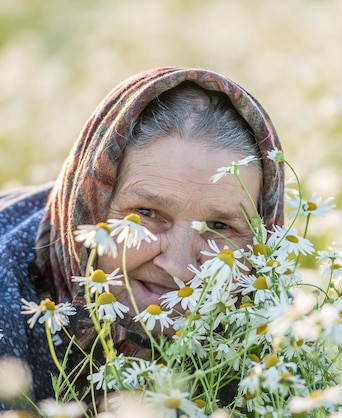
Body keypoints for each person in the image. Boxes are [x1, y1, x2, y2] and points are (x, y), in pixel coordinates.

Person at [0, 67, 285, 407]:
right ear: (91, 204)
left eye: (220, 228)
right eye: (147, 214)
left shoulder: (277, 328)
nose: (178, 267)